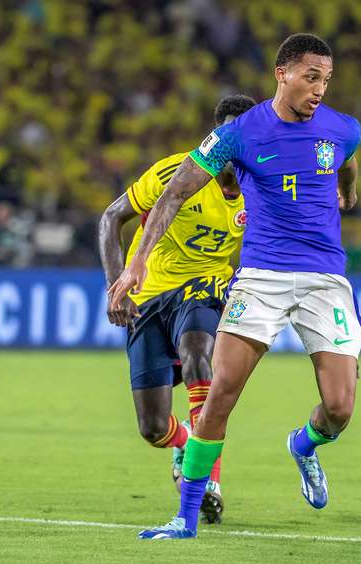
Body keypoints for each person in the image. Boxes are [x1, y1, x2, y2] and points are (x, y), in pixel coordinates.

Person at [108, 33, 361, 540]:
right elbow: (173, 195)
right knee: (218, 393)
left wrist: (348, 190)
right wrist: (135, 264)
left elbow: (348, 156)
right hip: (262, 279)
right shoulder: (239, 134)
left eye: (327, 80)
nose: (320, 89)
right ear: (281, 73)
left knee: (339, 409)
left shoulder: (342, 128)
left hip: (324, 281)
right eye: (311, 77)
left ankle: (304, 446)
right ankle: (186, 516)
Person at [99, 95, 256, 524]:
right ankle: (186, 442)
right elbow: (111, 218)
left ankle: (206, 478)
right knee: (152, 428)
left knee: (198, 353)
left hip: (207, 284)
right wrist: (119, 286)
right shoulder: (177, 171)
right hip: (151, 294)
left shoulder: (265, 187)